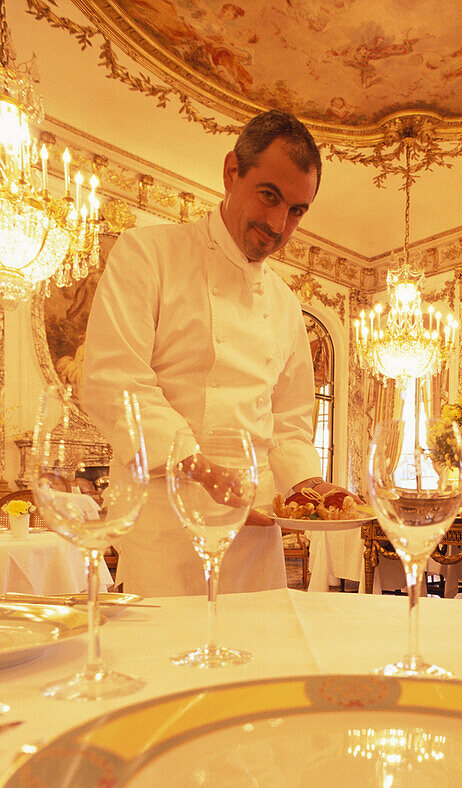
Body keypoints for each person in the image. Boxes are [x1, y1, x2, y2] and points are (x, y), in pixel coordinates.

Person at [82, 111, 350, 596]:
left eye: (296, 211)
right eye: (269, 195)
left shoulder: (288, 305)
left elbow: (289, 422)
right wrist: (204, 470)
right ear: (232, 172)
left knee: (259, 667)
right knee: (164, 666)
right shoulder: (148, 254)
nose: (277, 224)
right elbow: (114, 381)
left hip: (255, 533)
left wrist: (313, 489)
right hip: (164, 527)